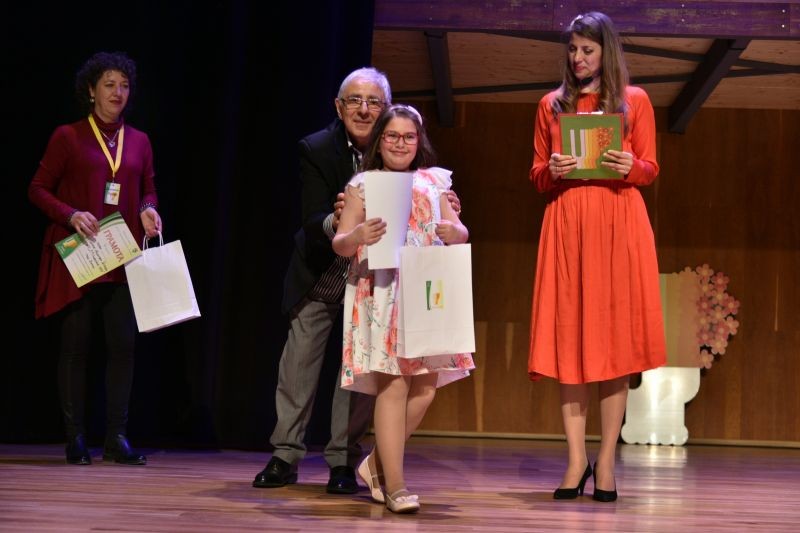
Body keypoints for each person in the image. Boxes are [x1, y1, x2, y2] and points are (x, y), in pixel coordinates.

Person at [253, 68, 462, 494]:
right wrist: (344, 222)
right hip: (325, 272)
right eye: (354, 100)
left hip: (385, 285)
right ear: (339, 106)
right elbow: (314, 219)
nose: (364, 109)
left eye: (373, 103)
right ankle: (285, 454)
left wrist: (447, 216)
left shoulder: (422, 173)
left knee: (364, 377)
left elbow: (449, 223)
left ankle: (344, 461)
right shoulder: (319, 150)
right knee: (299, 367)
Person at [527, 12, 666, 502]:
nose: (578, 58)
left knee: (614, 344)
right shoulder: (551, 104)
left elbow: (650, 167)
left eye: (587, 50)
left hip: (617, 223)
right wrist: (553, 169)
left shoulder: (635, 100)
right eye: (572, 50)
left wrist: (632, 165)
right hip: (568, 224)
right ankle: (574, 460)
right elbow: (537, 174)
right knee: (569, 340)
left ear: (606, 52)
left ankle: (605, 461)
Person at [332, 104, 475, 513]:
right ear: (380, 140)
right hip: (383, 291)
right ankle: (394, 484)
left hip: (426, 290)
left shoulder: (434, 180)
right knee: (394, 385)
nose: (400, 143)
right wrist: (357, 234)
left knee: (425, 389)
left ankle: (376, 464)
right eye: (392, 136)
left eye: (408, 136)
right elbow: (340, 243)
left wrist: (454, 230)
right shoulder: (364, 184)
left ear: (419, 140)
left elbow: (460, 231)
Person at [28, 51, 162, 466]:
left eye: (124, 85)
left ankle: (116, 438)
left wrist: (149, 209)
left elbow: (148, 188)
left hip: (121, 257)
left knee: (123, 347)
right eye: (109, 85)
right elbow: (37, 189)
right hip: (82, 257)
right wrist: (70, 214)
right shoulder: (67, 137)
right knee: (76, 347)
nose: (117, 92)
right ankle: (75, 438)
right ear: (91, 91)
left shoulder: (139, 141)